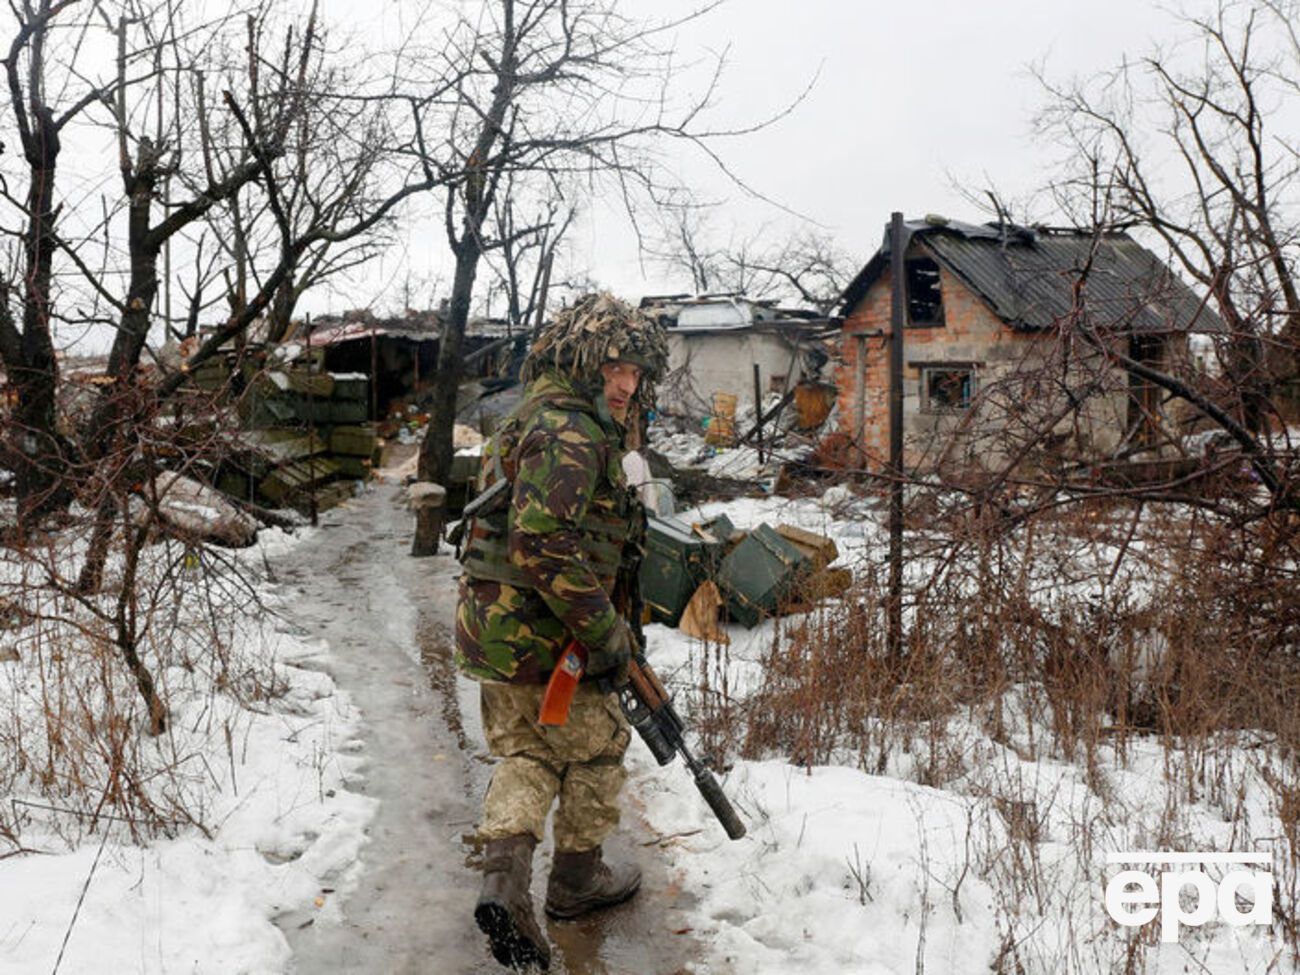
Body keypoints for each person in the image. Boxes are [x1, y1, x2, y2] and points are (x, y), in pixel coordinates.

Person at [454, 293, 668, 971]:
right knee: (599, 747)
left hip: (502, 632)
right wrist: (607, 634)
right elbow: (544, 544)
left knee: (527, 752)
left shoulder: (532, 417)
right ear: (580, 360)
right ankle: (577, 881)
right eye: (614, 366)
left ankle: (503, 882)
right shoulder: (571, 432)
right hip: (552, 637)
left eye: (635, 371)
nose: (627, 383)